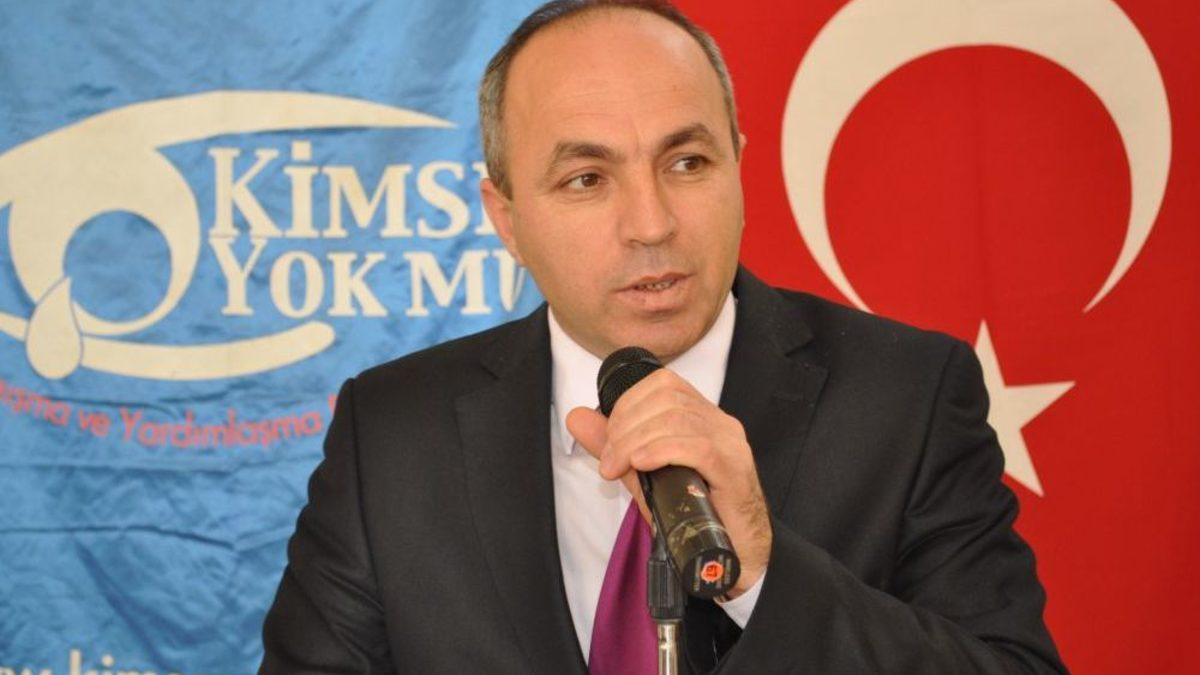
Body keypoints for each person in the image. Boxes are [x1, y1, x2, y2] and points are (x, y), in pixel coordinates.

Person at [260, 1, 1066, 673]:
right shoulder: (393, 435)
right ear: (506, 218)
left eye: (687, 163)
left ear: (738, 166)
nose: (651, 223)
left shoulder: (907, 398)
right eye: (587, 179)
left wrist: (764, 575)